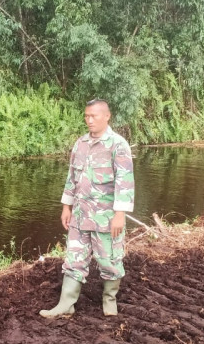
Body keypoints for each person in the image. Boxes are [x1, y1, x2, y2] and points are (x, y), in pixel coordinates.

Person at [40, 99, 134, 319]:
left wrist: (120, 215)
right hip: (80, 215)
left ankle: (109, 301)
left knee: (109, 260)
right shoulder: (80, 144)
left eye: (94, 116)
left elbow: (125, 182)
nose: (89, 120)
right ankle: (66, 305)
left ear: (107, 116)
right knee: (74, 259)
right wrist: (66, 207)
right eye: (86, 116)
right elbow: (72, 177)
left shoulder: (117, 145)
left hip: (106, 217)